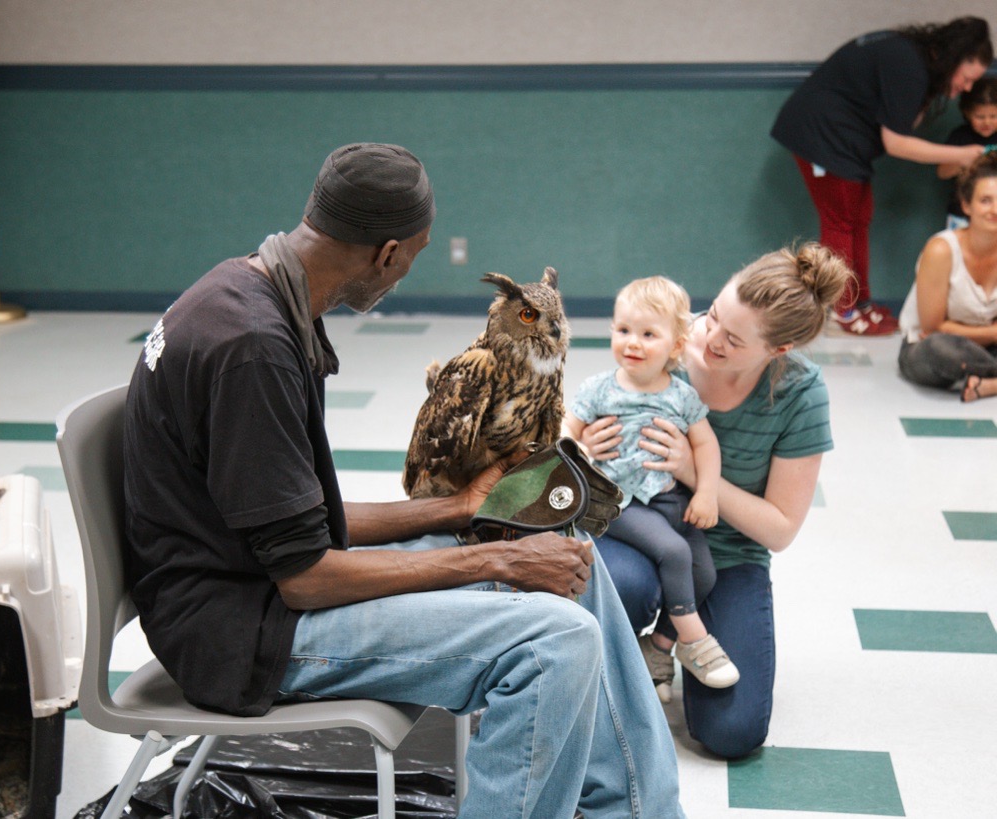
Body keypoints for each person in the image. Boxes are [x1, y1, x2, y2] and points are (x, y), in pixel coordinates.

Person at [122, 142, 686, 818]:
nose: (406, 270)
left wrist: (457, 509)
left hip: (254, 583)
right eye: (415, 253)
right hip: (241, 635)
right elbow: (305, 575)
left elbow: (294, 521)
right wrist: (499, 556)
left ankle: (641, 811)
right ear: (386, 252)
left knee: (571, 565)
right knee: (554, 643)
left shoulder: (247, 288)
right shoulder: (254, 347)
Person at [577, 244, 852, 759]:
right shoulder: (673, 338)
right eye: (715, 315)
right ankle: (619, 661)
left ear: (779, 350)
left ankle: (663, 646)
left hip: (727, 556)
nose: (708, 337)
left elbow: (778, 530)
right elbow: (594, 414)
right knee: (627, 583)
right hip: (637, 531)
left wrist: (693, 469)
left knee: (733, 733)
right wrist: (583, 452)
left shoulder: (801, 394)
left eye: (732, 339)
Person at [565, 276, 739, 705]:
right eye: (623, 330)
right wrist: (582, 448)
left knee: (704, 573)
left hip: (667, 497)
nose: (632, 343)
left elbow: (705, 445)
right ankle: (696, 641)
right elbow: (562, 434)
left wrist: (706, 494)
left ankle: (658, 648)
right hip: (614, 500)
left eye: (648, 334)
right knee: (674, 552)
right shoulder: (598, 390)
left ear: (676, 346)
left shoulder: (681, 396)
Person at [771, 17, 992, 336]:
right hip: (823, 136)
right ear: (955, 59)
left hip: (845, 140)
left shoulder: (914, 60)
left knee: (858, 218)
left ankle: (860, 303)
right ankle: (842, 310)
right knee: (841, 221)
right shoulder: (909, 65)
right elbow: (897, 142)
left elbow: (901, 122)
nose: (967, 88)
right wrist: (963, 155)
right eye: (967, 78)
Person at [898, 152, 997, 402]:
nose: (995, 210)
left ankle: (988, 384)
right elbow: (933, 328)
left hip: (985, 348)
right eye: (986, 200)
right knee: (942, 350)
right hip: (932, 348)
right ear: (967, 206)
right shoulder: (941, 249)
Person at [938, 78, 997, 230]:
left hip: (995, 212)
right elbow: (942, 172)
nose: (987, 122)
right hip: (962, 214)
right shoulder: (960, 136)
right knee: (959, 252)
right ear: (967, 113)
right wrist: (963, 160)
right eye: (980, 117)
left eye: (993, 116)